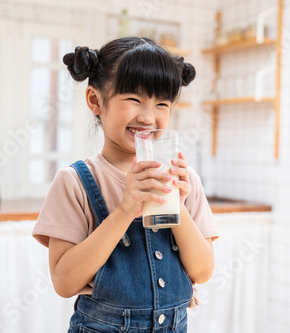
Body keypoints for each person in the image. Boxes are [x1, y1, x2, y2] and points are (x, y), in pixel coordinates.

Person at [32, 37, 219, 333]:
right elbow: (64, 283)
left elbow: (203, 271)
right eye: (134, 99)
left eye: (161, 103)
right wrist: (125, 209)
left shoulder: (185, 180)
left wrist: (177, 206)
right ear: (95, 100)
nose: (147, 116)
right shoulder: (75, 181)